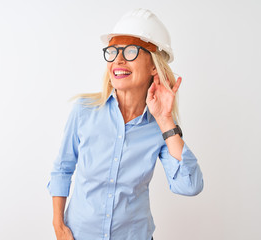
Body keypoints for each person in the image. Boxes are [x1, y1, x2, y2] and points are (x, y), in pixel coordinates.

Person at [47, 8, 204, 240]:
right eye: (112, 51)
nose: (118, 60)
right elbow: (62, 169)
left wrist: (165, 120)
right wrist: (59, 226)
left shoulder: (160, 126)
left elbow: (189, 186)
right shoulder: (84, 111)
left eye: (131, 51)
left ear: (154, 65)